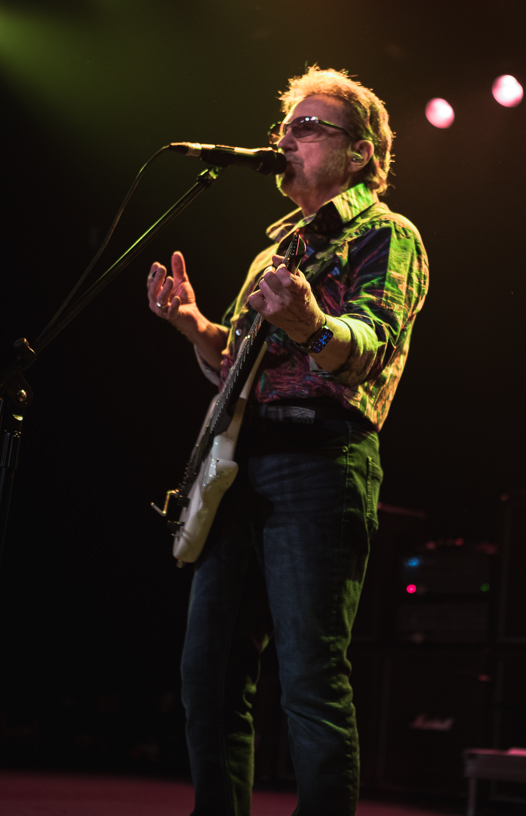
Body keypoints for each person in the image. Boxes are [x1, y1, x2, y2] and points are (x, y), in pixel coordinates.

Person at [146, 67, 429, 816]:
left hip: (321, 460)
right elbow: (234, 372)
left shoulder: (386, 235)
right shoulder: (274, 248)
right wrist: (195, 326)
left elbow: (371, 342)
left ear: (361, 153)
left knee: (309, 675)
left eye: (309, 128)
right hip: (241, 463)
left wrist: (310, 327)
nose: (286, 140)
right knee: (207, 674)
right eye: (286, 127)